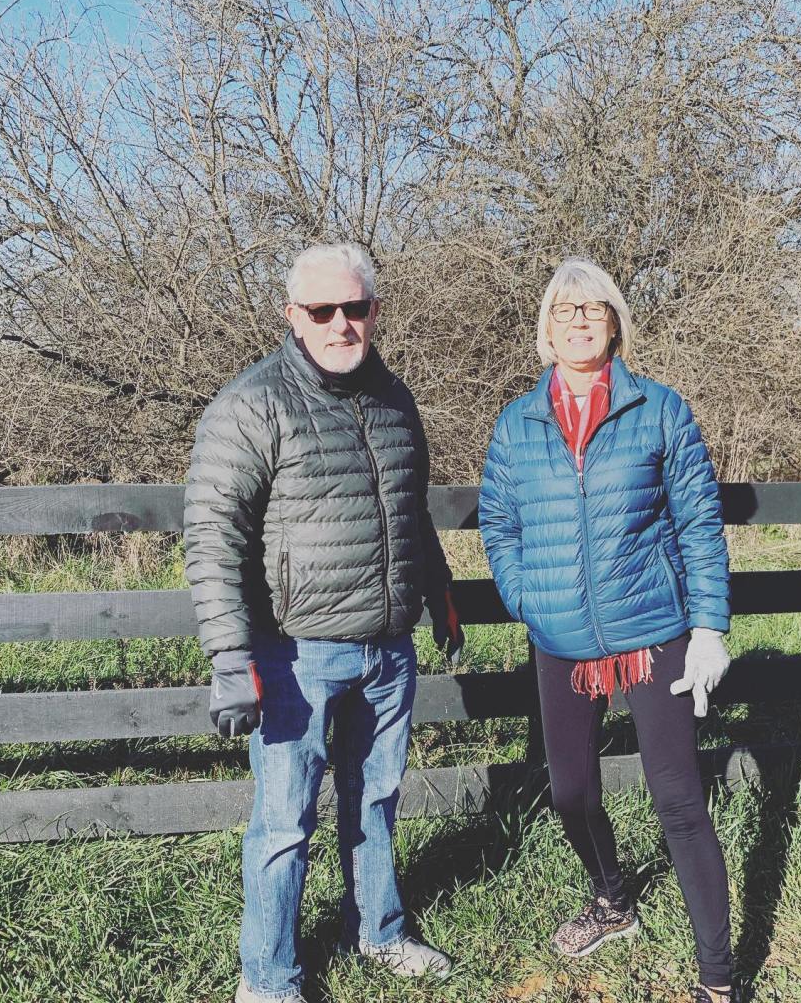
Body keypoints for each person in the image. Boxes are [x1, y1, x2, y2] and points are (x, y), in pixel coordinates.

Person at [184, 243, 464, 1003]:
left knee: (376, 799)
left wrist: (439, 592)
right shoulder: (252, 405)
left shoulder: (394, 399)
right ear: (293, 316)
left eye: (356, 307)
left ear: (375, 310)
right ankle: (268, 978)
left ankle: (377, 931)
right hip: (295, 655)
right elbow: (211, 539)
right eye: (322, 310)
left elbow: (408, 511)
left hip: (389, 650)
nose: (341, 323)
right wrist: (229, 658)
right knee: (284, 822)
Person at [479, 257, 736, 1003]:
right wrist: (528, 598)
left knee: (678, 800)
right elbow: (498, 522)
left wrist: (708, 626)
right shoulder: (517, 424)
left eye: (593, 309)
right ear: (546, 330)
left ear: (616, 323)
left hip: (653, 632)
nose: (580, 321)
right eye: (564, 311)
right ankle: (612, 898)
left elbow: (698, 523)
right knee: (570, 792)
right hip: (561, 639)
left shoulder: (659, 409)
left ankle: (719, 981)